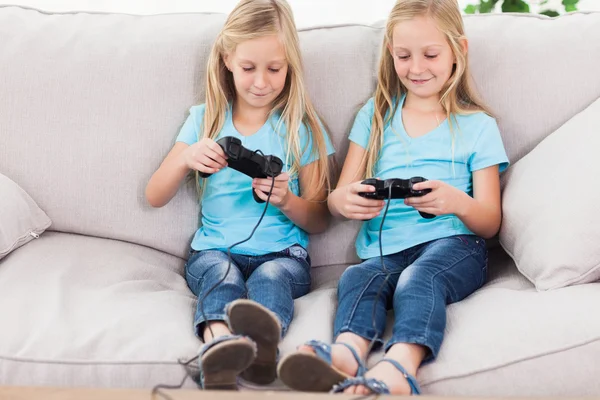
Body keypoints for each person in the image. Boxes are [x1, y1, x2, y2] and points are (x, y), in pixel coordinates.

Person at [277, 0, 508, 395]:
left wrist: (456, 202)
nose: (416, 68)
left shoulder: (477, 126)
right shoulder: (376, 115)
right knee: (358, 278)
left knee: (419, 280)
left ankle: (401, 365)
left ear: (459, 51)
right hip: (384, 252)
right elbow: (336, 198)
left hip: (455, 245)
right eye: (403, 56)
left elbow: (490, 221)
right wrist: (346, 200)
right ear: (391, 54)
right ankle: (346, 353)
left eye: (430, 55)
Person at [145, 0, 334, 390]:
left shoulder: (302, 128)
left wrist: (285, 200)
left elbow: (320, 218)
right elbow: (154, 195)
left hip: (284, 255)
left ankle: (261, 348)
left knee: (271, 278)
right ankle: (218, 344)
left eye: (274, 68)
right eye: (249, 68)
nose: (261, 82)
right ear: (227, 59)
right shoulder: (205, 120)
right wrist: (186, 160)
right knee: (221, 275)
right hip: (215, 250)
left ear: (291, 66)